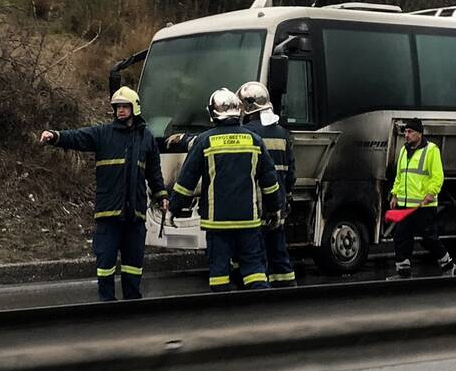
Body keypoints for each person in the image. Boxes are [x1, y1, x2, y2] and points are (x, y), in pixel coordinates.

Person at [40, 86, 169, 301]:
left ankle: (132, 303)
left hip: (134, 216)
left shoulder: (146, 138)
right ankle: (106, 304)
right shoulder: (103, 134)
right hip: (108, 215)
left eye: (124, 107)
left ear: (135, 108)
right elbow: (78, 137)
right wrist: (55, 136)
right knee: (105, 263)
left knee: (134, 265)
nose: (120, 111)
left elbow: (154, 172)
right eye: (117, 107)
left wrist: (162, 196)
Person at [168, 88, 283, 292]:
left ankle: (224, 308)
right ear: (239, 111)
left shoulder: (205, 141)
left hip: (217, 222)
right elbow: (270, 181)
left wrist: (174, 208)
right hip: (248, 221)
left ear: (213, 114)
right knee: (254, 269)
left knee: (219, 274)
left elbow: (187, 181)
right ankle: (261, 305)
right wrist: (274, 209)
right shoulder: (254, 140)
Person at [236, 81, 297, 287]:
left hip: (254, 205)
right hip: (277, 203)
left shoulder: (245, 133)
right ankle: (288, 288)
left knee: (254, 255)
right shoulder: (282, 133)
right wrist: (286, 196)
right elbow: (291, 173)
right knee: (278, 251)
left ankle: (259, 293)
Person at [388, 117, 455, 278]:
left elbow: (437, 176)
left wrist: (431, 193)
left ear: (420, 133)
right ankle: (403, 272)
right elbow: (399, 175)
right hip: (405, 204)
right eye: (405, 131)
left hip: (424, 205)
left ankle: (448, 265)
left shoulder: (431, 150)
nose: (406, 135)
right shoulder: (404, 150)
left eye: (410, 131)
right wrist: (394, 194)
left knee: (429, 239)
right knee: (400, 237)